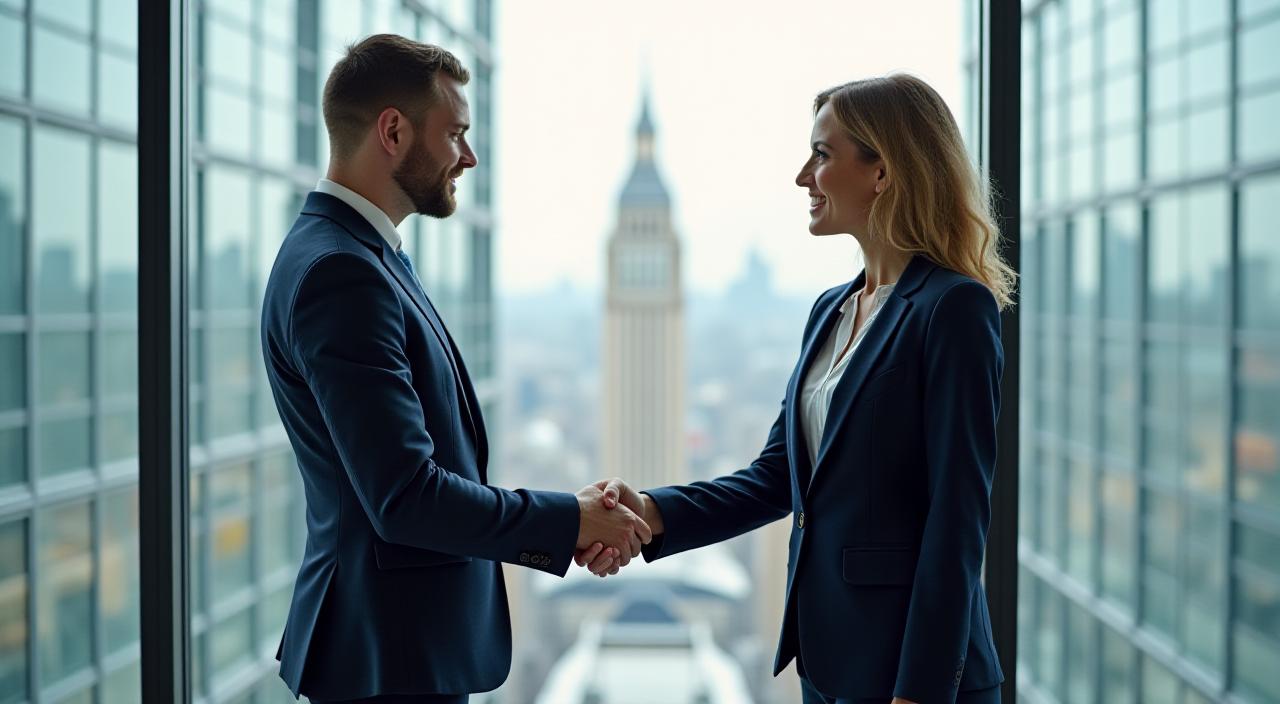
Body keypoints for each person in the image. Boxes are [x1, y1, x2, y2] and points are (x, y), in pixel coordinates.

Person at [579, 74, 1016, 703]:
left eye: (822, 155)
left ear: (882, 172)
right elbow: (776, 476)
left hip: (910, 676)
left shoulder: (953, 308)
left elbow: (958, 518)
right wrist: (648, 511)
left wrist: (917, 692)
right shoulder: (829, 312)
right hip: (828, 664)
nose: (802, 176)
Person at [260, 34, 647, 704]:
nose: (468, 157)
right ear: (393, 131)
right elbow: (405, 497)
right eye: (457, 134)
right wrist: (571, 521)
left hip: (398, 648)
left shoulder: (362, 256)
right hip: (389, 658)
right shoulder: (341, 273)